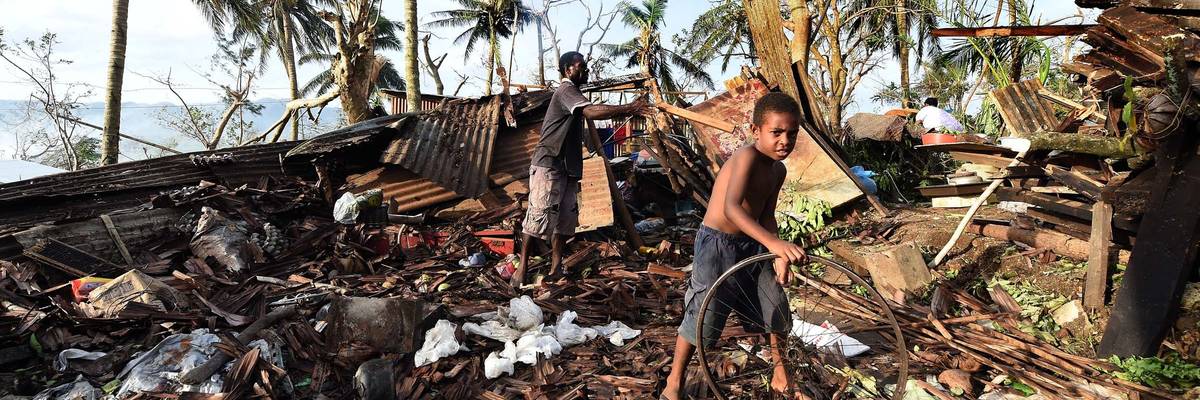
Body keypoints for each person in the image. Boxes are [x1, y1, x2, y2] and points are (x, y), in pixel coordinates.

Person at [660, 92, 808, 400]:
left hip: (753, 245)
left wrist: (777, 255)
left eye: (792, 134)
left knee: (774, 303)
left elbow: (766, 215)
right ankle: (674, 382)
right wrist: (774, 244)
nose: (785, 140)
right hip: (718, 245)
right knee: (704, 313)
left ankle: (781, 374)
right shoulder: (746, 157)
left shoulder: (778, 171)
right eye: (776, 132)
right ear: (756, 131)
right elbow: (731, 208)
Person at [513, 51, 652, 287]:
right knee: (538, 216)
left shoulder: (575, 93)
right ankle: (521, 270)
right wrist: (629, 108)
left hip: (568, 167)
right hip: (549, 163)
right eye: (581, 67)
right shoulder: (565, 90)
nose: (585, 70)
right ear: (568, 70)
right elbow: (590, 111)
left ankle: (556, 269)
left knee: (565, 221)